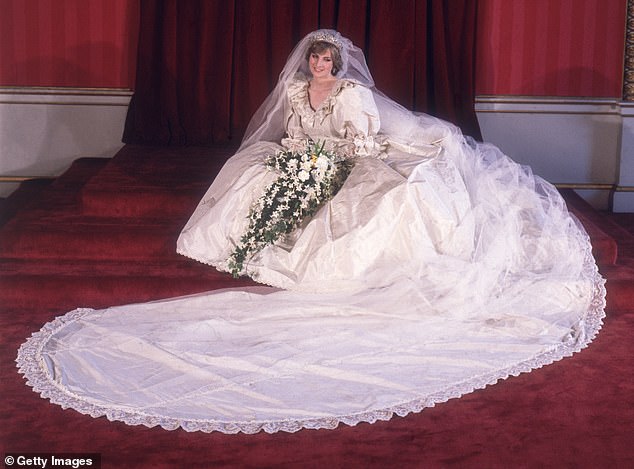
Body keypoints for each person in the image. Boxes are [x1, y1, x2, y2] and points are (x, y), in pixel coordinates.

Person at [18, 30, 605, 434]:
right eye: (314, 61)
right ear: (307, 64)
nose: (320, 68)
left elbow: (362, 139)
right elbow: (293, 130)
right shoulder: (298, 92)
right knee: (253, 170)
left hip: (352, 155)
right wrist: (299, 157)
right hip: (312, 157)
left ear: (338, 64)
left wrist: (330, 160)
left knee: (374, 197)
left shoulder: (353, 95)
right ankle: (253, 245)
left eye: (327, 61)